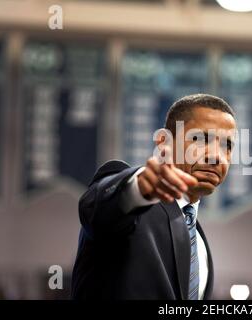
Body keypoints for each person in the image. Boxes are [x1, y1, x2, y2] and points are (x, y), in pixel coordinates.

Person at [71, 93, 236, 299]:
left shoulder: (199, 241)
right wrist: (138, 190)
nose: (216, 156)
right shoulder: (133, 202)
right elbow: (97, 209)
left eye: (226, 146)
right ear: (163, 143)